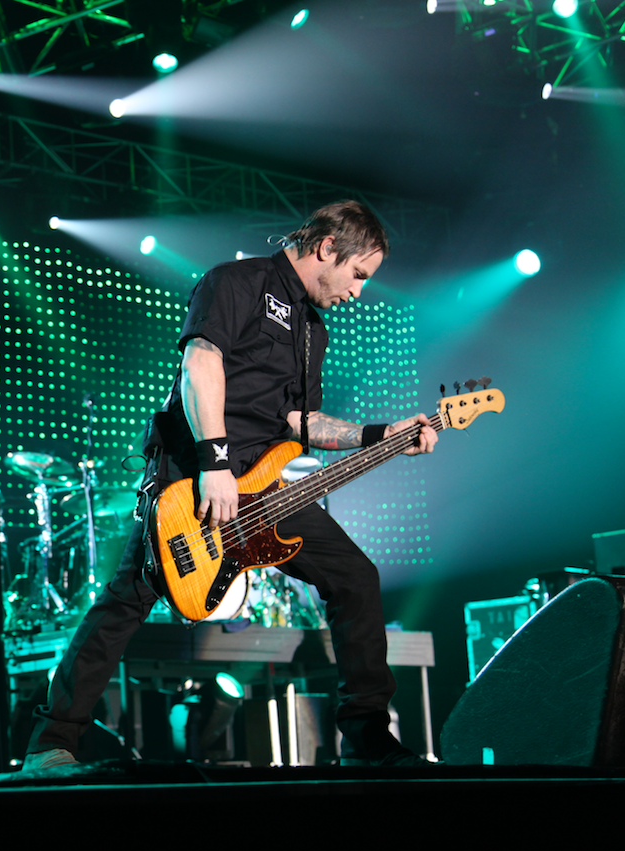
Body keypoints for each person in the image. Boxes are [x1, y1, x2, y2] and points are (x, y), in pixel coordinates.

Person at [23, 201, 437, 770]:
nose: (358, 293)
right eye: (358, 275)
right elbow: (201, 363)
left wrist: (381, 433)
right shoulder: (235, 281)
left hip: (262, 484)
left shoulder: (313, 328)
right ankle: (52, 741)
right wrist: (214, 464)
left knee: (355, 578)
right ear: (325, 249)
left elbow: (301, 423)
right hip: (195, 474)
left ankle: (367, 738)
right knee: (127, 600)